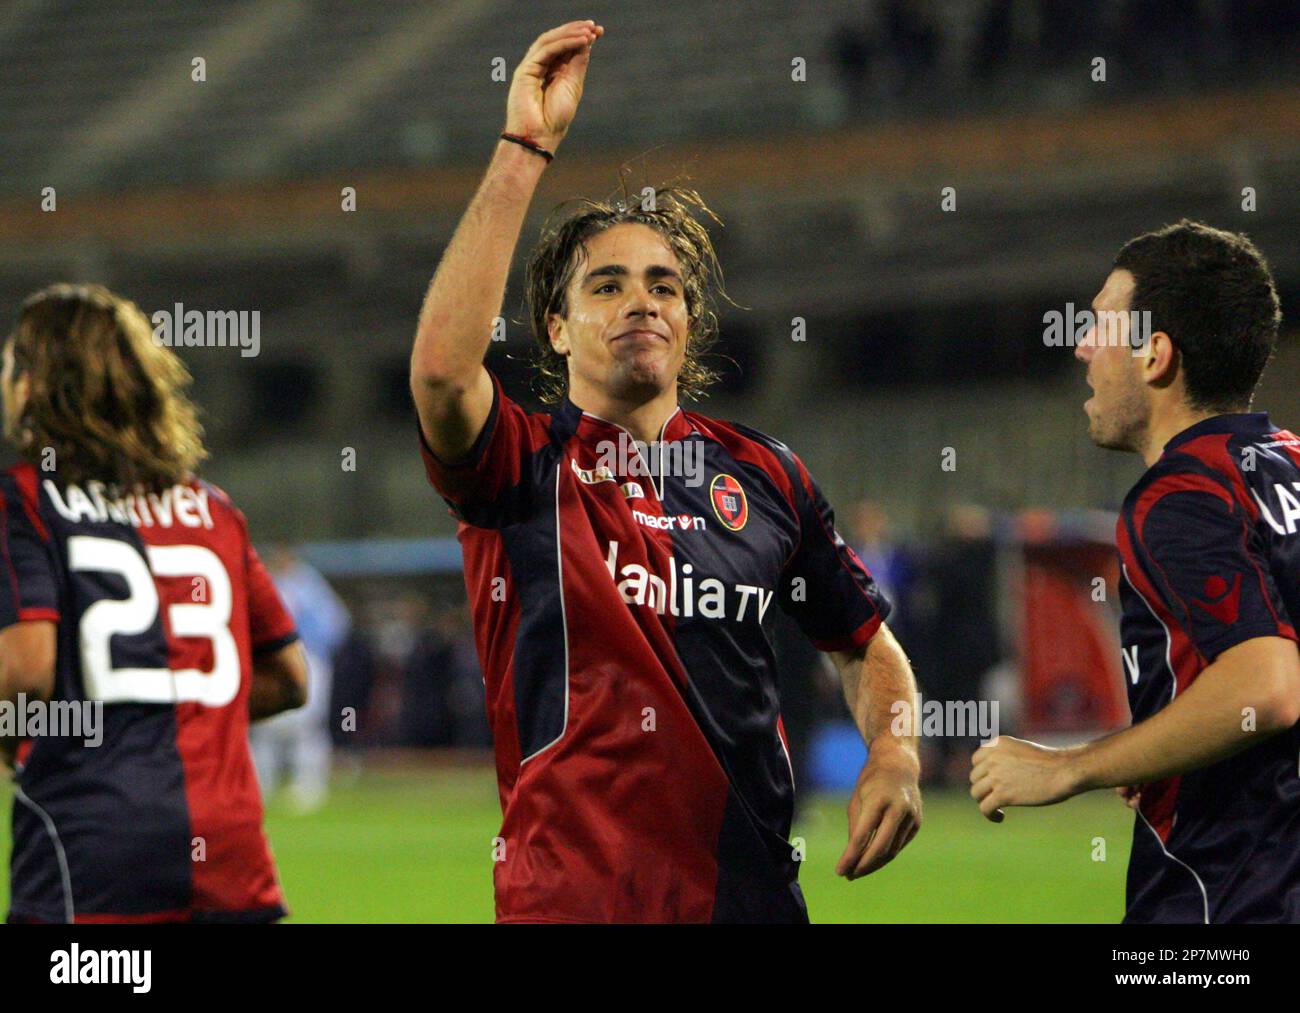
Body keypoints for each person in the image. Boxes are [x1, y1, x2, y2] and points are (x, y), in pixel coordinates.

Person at [409, 20, 921, 924]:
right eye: (604, 285)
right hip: (572, 905)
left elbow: (865, 645)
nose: (640, 299)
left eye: (664, 284)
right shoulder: (522, 465)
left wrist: (897, 753)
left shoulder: (768, 475)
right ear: (558, 330)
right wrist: (525, 148)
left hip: (752, 903)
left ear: (689, 323)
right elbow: (445, 373)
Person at [971, 221, 1300, 923]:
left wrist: (1073, 765)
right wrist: (1163, 751)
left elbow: (1269, 686)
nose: (1083, 347)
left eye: (1097, 326)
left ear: (1154, 355)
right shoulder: (1290, 463)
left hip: (1228, 897)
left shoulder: (1180, 496)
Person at [0, 283, 307, 922]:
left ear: (31, 386)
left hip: (94, 845)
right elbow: (288, 678)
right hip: (230, 853)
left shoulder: (26, 500)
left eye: (9, 366)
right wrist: (178, 719)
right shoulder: (213, 509)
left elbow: (23, 676)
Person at [251, 546, 349, 813]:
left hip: (309, 659)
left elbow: (337, 623)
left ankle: (308, 786)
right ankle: (261, 785)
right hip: (271, 660)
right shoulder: (266, 582)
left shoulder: (309, 584)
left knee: (307, 725)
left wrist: (314, 649)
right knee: (266, 725)